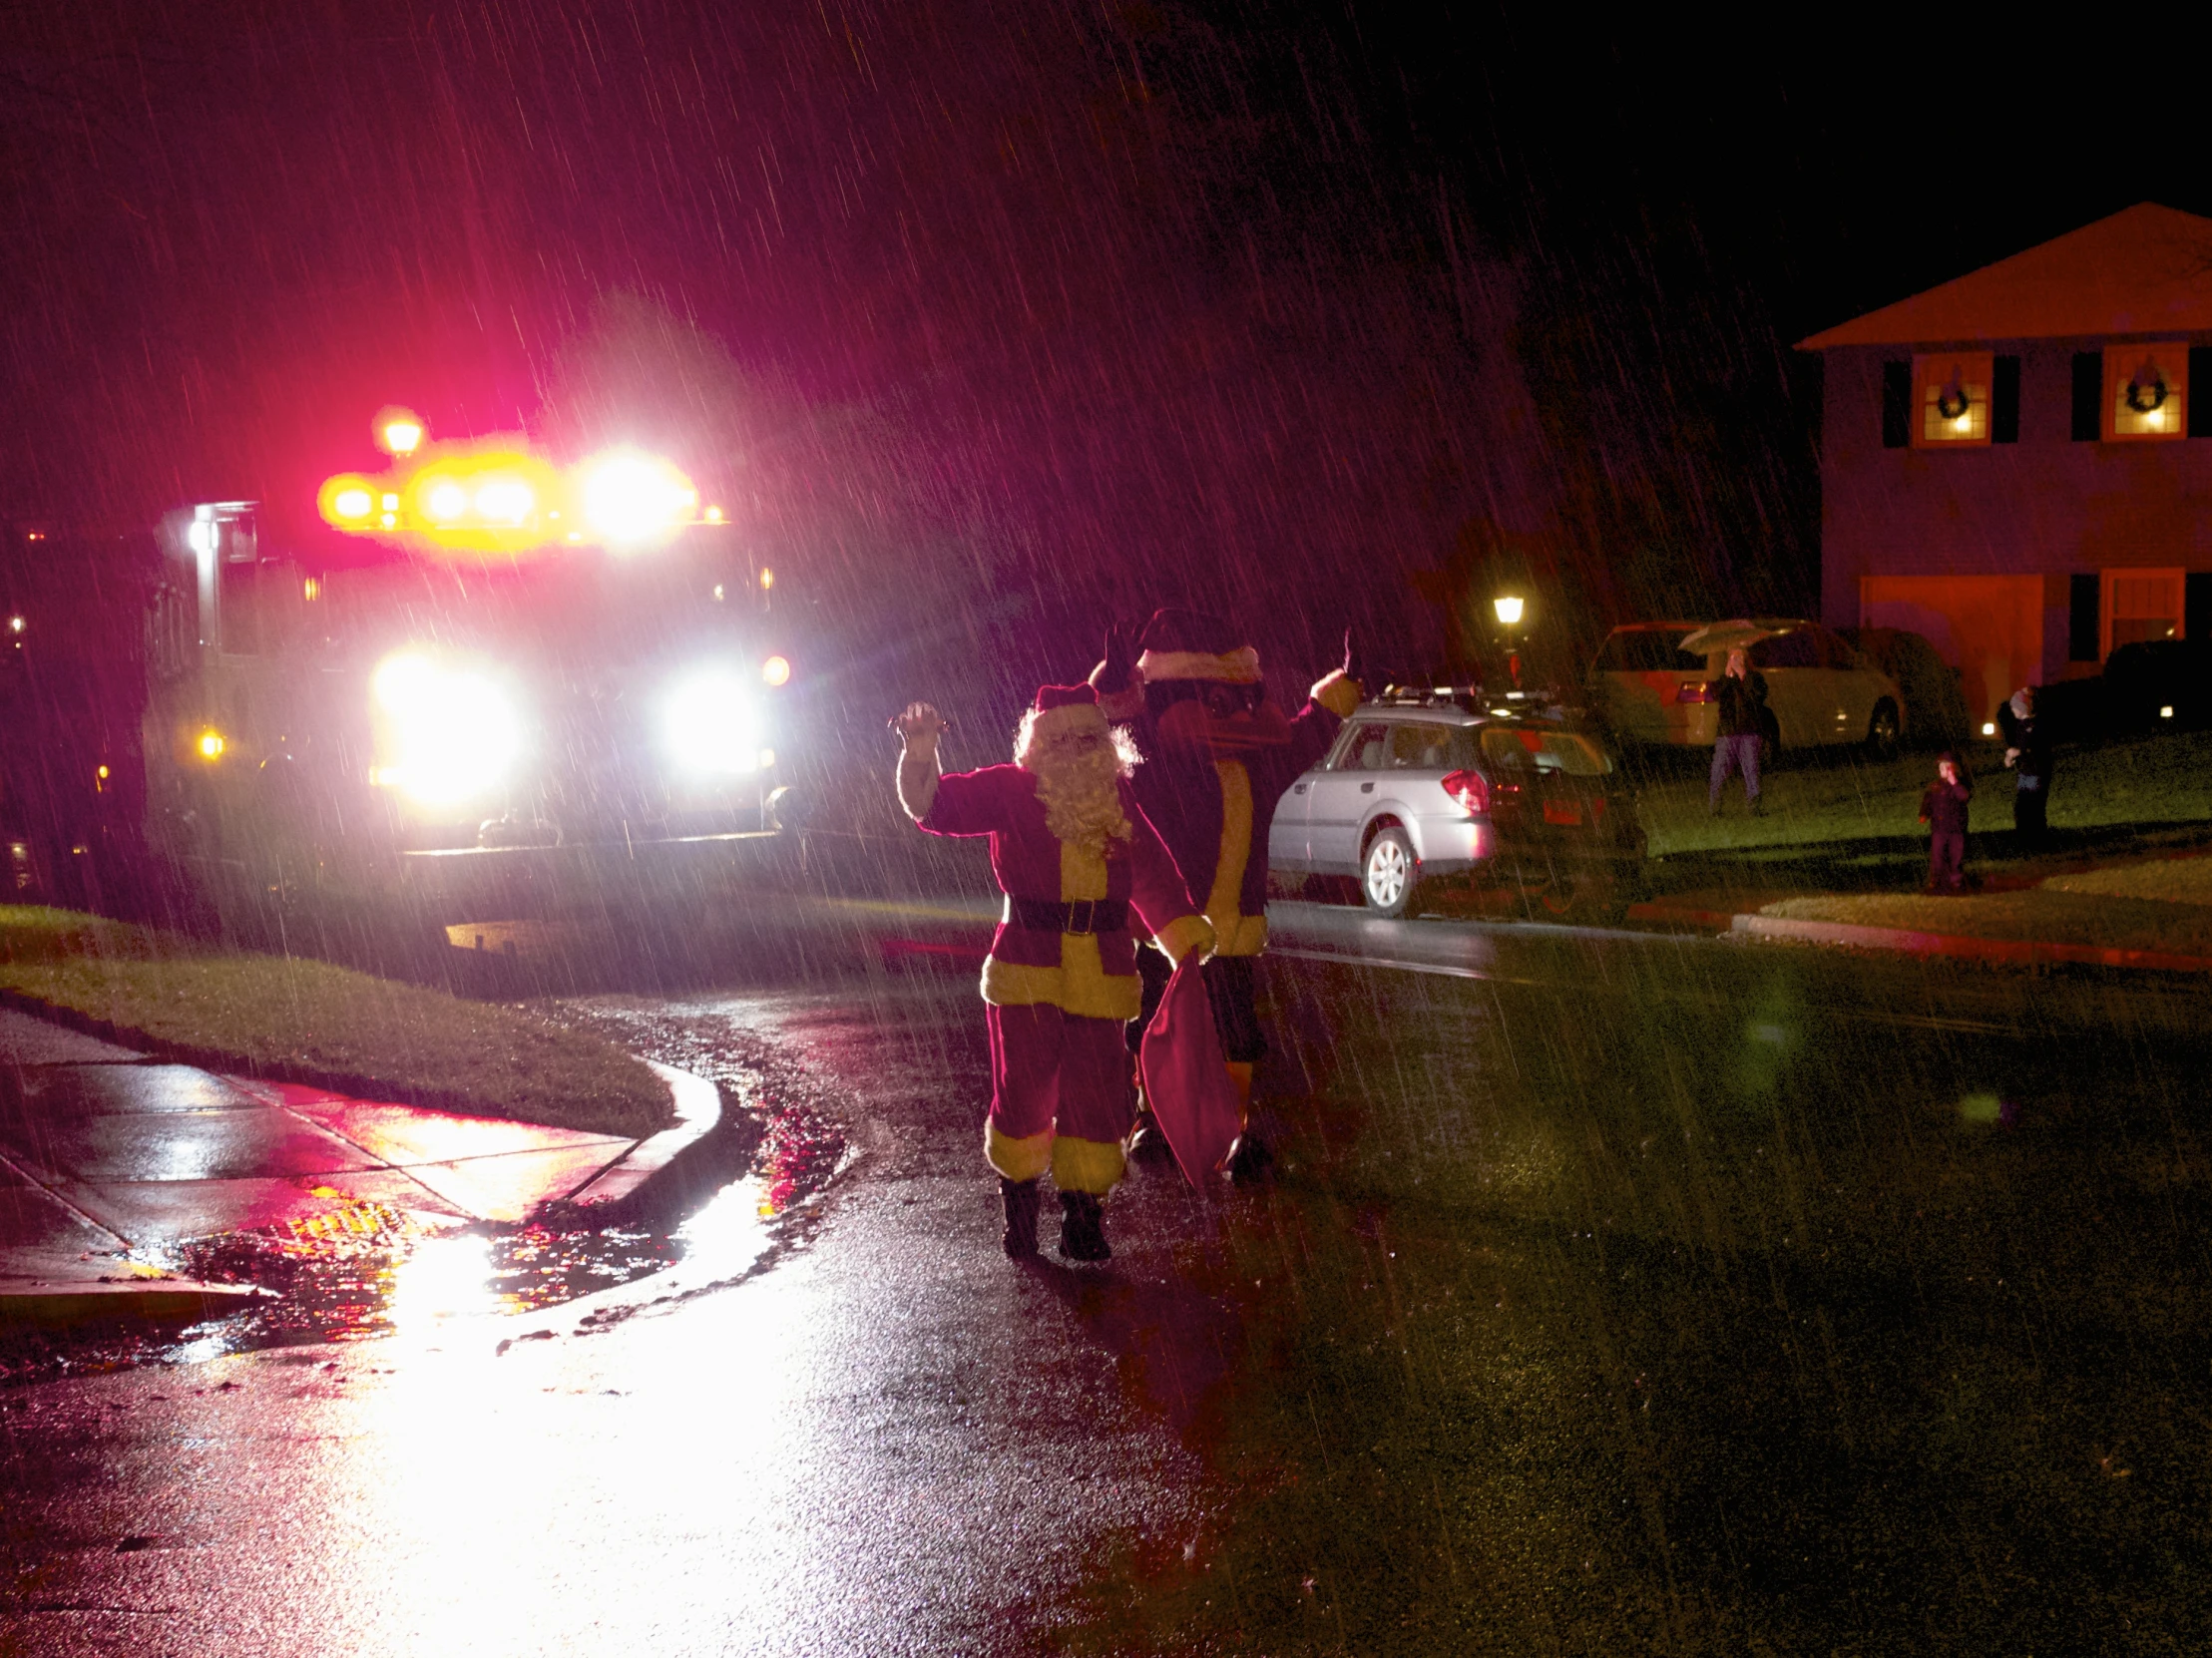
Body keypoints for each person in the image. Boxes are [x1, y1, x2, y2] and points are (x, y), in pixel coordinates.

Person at [892, 684, 1212, 1263]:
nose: (1077, 750)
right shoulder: (1012, 789)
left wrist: (1180, 933)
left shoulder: (1116, 799)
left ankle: (1082, 1219)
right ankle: (1019, 1208)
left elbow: (1152, 873)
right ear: (1039, 744)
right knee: (1026, 1090)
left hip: (1103, 970)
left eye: (1088, 738)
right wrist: (920, 750)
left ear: (1105, 744)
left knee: (1097, 1096)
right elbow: (935, 807)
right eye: (1063, 739)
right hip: (1029, 969)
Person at [1090, 610, 1362, 1180]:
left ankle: (1234, 1128)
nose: (1241, 716)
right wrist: (1116, 692)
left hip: (1236, 921)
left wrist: (1349, 683)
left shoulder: (1259, 759)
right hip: (1170, 922)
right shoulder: (1159, 759)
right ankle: (1148, 1115)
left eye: (1246, 700)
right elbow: (1121, 733)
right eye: (1217, 704)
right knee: (1155, 1017)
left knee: (1238, 1027)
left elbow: (1306, 729)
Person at [1707, 647, 1768, 815]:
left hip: (1750, 731)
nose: (1736, 660)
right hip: (1727, 732)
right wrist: (1727, 676)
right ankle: (1715, 807)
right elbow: (1716, 695)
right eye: (1733, 657)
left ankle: (1754, 806)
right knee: (1719, 770)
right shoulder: (1724, 680)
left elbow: (1758, 696)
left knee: (1751, 769)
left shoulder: (1755, 678)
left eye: (1740, 656)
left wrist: (1743, 675)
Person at [1996, 685, 2052, 843]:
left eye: (2015, 706)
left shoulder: (2034, 725)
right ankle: (2025, 834)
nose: (2012, 709)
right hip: (2026, 771)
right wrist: (2012, 756)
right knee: (2023, 804)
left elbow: (2036, 748)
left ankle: (2035, 835)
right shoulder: (2021, 726)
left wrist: (2018, 752)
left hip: (2036, 771)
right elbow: (2023, 747)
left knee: (2032, 804)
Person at [1920, 750, 1973, 893]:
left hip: (1956, 828)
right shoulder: (1934, 787)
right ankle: (1936, 880)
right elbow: (1928, 801)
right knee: (1938, 855)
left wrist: (1954, 782)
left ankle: (1956, 880)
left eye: (1948, 767)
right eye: (1942, 768)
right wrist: (1924, 813)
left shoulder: (1960, 785)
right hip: (1939, 828)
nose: (1945, 770)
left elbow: (1964, 797)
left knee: (1956, 855)